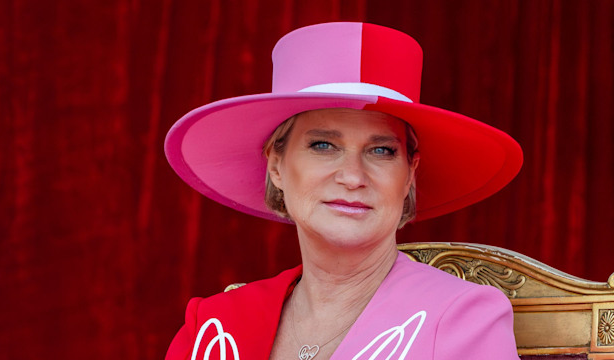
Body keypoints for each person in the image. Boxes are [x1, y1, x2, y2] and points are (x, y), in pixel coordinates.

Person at [164, 22, 523, 360]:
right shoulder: (213, 326)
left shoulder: (465, 318)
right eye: (323, 145)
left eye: (381, 150)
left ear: (409, 174)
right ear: (276, 166)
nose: (353, 177)